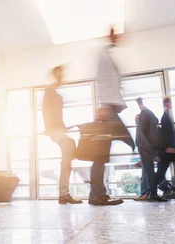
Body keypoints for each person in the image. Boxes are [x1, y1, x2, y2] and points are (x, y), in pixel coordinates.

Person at [88, 27, 132, 206]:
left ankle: (97, 194)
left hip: (110, 109)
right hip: (108, 110)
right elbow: (103, 80)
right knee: (100, 155)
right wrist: (104, 105)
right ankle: (97, 196)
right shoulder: (104, 56)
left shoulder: (106, 55)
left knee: (101, 155)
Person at [42, 66, 83, 204]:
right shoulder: (49, 90)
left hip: (58, 129)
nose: (62, 76)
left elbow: (55, 114)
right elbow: (46, 111)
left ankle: (64, 194)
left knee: (67, 158)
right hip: (54, 130)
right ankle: (64, 193)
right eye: (59, 74)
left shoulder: (53, 91)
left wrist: (64, 127)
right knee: (69, 145)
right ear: (55, 74)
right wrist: (49, 128)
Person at [135, 97, 166, 202]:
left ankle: (149, 193)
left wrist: (141, 105)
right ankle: (150, 193)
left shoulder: (147, 121)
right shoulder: (146, 123)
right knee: (148, 171)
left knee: (148, 171)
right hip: (146, 148)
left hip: (146, 148)